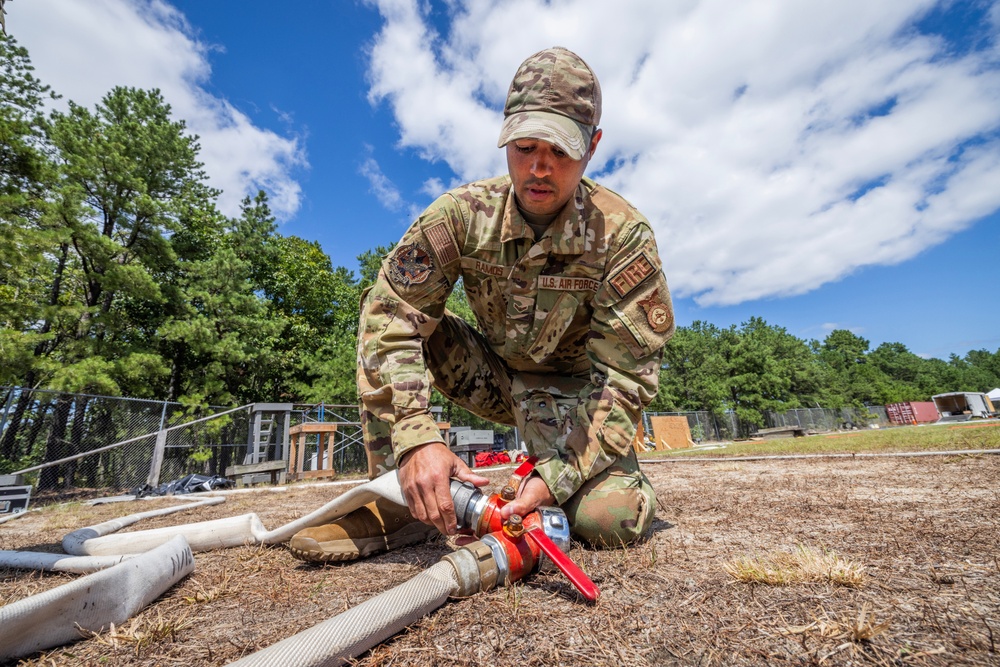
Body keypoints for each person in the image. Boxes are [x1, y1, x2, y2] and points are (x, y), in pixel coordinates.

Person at [289, 46, 675, 563]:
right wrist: (416, 438)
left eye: (560, 151)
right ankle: (399, 503)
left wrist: (555, 478)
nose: (539, 167)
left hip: (577, 401)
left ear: (593, 146)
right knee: (393, 316)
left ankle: (584, 477)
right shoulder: (462, 214)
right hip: (492, 379)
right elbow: (390, 318)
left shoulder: (622, 235)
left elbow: (625, 380)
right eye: (524, 145)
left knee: (608, 521)